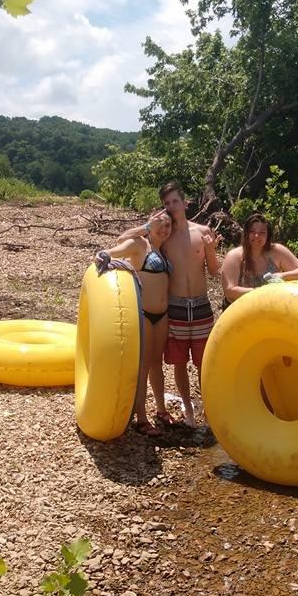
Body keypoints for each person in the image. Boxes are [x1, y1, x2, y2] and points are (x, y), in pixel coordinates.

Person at [116, 182, 221, 427]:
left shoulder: (202, 231)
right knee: (179, 362)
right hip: (174, 306)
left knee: (206, 361)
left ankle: (212, 408)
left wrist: (211, 249)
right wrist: (147, 225)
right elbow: (126, 239)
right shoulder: (164, 233)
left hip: (201, 304)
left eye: (175, 201)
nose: (171, 207)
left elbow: (214, 270)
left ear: (185, 203)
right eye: (167, 203)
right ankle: (189, 410)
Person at [96, 211, 174, 436]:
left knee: (157, 364)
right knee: (143, 366)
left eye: (168, 224)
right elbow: (118, 247)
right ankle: (141, 418)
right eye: (160, 223)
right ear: (150, 223)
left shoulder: (164, 250)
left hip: (162, 315)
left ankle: (161, 409)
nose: (164, 228)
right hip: (145, 314)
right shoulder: (140, 245)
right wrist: (106, 256)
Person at [221, 212, 298, 306]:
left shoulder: (277, 251)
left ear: (268, 235)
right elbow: (229, 291)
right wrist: (261, 292)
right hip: (239, 311)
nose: (256, 236)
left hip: (269, 310)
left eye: (262, 232)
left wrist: (282, 276)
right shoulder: (234, 256)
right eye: (252, 231)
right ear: (246, 233)